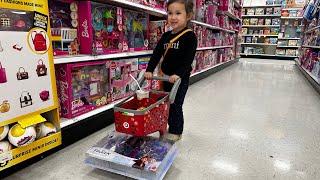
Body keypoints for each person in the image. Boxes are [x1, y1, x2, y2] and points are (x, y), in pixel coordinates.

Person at [144, 0, 197, 141]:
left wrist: (178, 74)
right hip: (165, 77)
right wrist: (149, 70)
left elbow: (188, 60)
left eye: (178, 13)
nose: (173, 17)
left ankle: (176, 131)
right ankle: (167, 125)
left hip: (180, 79)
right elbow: (156, 54)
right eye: (170, 13)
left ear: (189, 16)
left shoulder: (190, 36)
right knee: (165, 104)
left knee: (176, 105)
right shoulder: (166, 36)